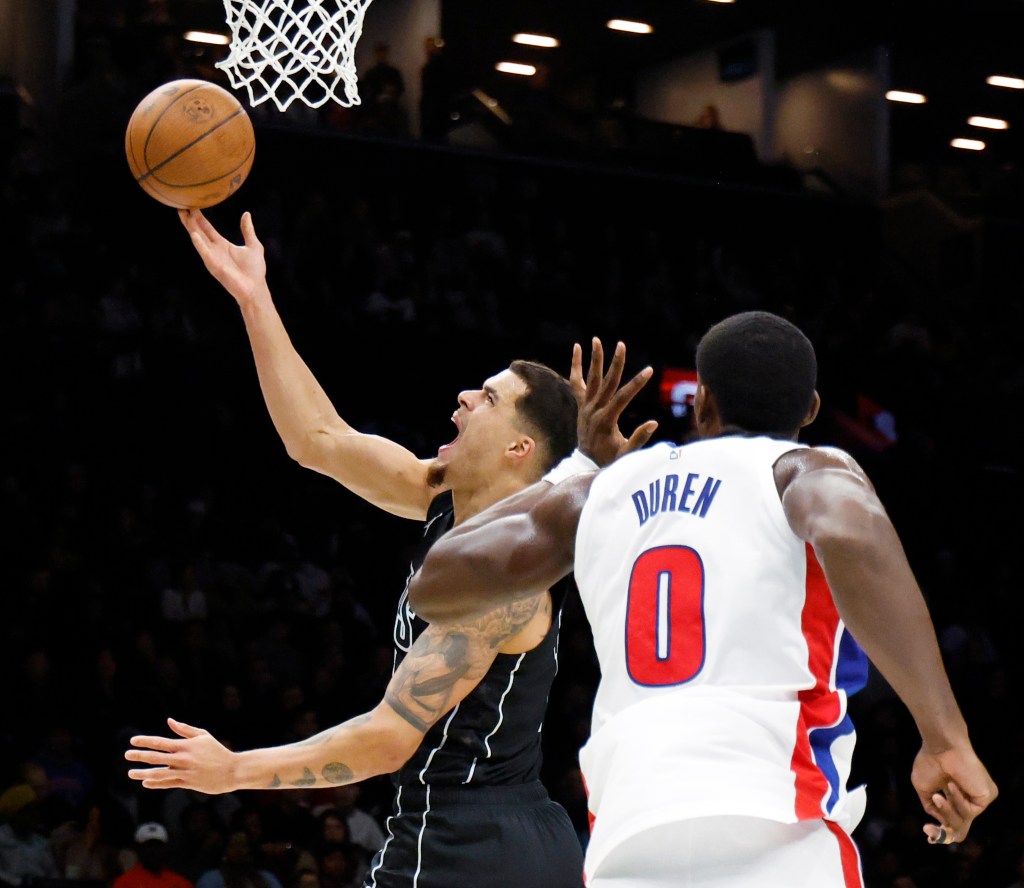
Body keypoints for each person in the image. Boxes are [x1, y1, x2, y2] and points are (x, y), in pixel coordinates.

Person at [123, 209, 654, 888]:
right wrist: (252, 295)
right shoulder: (443, 498)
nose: (463, 397)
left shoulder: (502, 579)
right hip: (505, 838)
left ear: (520, 448)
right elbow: (317, 439)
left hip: (464, 839)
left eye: (488, 398)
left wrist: (234, 771)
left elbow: (388, 737)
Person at [406, 312, 999, 887]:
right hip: (777, 818)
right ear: (811, 409)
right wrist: (944, 736)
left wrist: (580, 468)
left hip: (627, 832)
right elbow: (847, 529)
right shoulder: (802, 470)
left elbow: (433, 585)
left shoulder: (602, 491)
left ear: (702, 402)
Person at [113, 822, 193, 888]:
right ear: (138, 849)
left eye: (158, 846)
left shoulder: (180, 883)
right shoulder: (125, 883)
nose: (154, 851)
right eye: (149, 846)